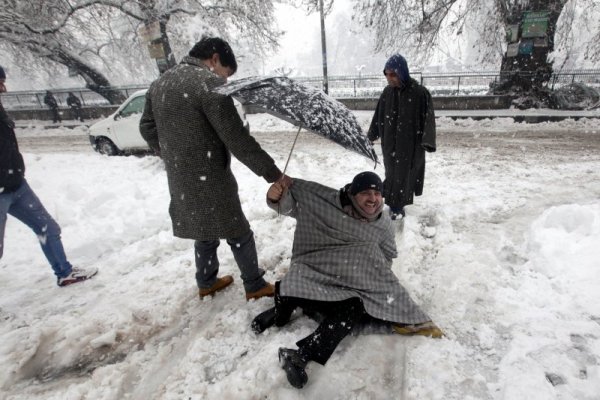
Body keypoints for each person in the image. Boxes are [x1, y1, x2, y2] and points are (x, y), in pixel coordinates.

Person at [252, 172, 442, 389]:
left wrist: (367, 273)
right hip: (313, 270)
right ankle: (279, 313)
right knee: (295, 282)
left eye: (377, 193)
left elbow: (388, 255)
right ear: (352, 194)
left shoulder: (382, 223)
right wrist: (276, 196)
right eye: (365, 193)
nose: (373, 199)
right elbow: (288, 205)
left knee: (352, 310)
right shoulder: (325, 203)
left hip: (347, 283)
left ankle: (300, 355)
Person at [139, 37, 291, 301]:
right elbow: (236, 138)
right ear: (215, 59)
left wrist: (172, 153)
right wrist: (273, 173)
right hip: (210, 175)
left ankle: (207, 281)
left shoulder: (160, 83)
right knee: (238, 231)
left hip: (180, 175)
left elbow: (147, 128)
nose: (226, 80)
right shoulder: (208, 84)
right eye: (226, 73)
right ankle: (254, 285)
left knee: (204, 227)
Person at [0, 66, 97, 286]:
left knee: (47, 227)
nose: (4, 88)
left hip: (16, 185)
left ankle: (64, 272)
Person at [368, 54, 436, 220]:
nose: (389, 78)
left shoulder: (420, 93)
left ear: (402, 72)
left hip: (410, 146)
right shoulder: (387, 93)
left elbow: (429, 118)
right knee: (391, 173)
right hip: (390, 144)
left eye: (393, 74)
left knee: (404, 176)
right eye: (387, 74)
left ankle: (397, 206)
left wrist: (427, 141)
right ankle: (393, 201)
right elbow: (378, 116)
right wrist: (371, 135)